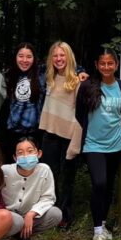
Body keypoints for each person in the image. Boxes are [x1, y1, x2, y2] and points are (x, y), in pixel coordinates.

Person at [76, 48, 121, 240]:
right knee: (99, 184)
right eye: (103, 63)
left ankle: (103, 225)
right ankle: (97, 232)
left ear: (116, 65)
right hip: (93, 144)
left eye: (110, 63)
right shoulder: (87, 86)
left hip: (116, 144)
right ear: (96, 65)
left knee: (108, 187)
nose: (106, 67)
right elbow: (79, 115)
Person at [39, 41, 84, 228]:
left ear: (69, 56)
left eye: (62, 55)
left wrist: (75, 143)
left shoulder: (78, 81)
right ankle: (51, 214)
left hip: (69, 136)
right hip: (49, 133)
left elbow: (81, 116)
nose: (59, 59)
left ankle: (65, 216)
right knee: (50, 175)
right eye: (55, 55)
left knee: (67, 178)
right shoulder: (48, 78)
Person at [1, 137, 62, 240]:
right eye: (20, 153)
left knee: (55, 214)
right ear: (15, 158)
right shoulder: (5, 171)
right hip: (6, 215)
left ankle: (23, 236)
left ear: (38, 153)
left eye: (30, 151)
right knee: (17, 221)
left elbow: (48, 197)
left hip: (28, 215)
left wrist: (32, 213)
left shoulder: (44, 170)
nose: (26, 156)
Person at [3, 42, 46, 161]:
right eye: (21, 56)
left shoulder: (42, 74)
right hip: (12, 132)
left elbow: (64, 66)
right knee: (12, 170)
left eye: (29, 56)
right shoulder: (8, 75)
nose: (24, 60)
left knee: (33, 170)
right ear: (15, 57)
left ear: (34, 58)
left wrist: (80, 72)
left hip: (35, 133)